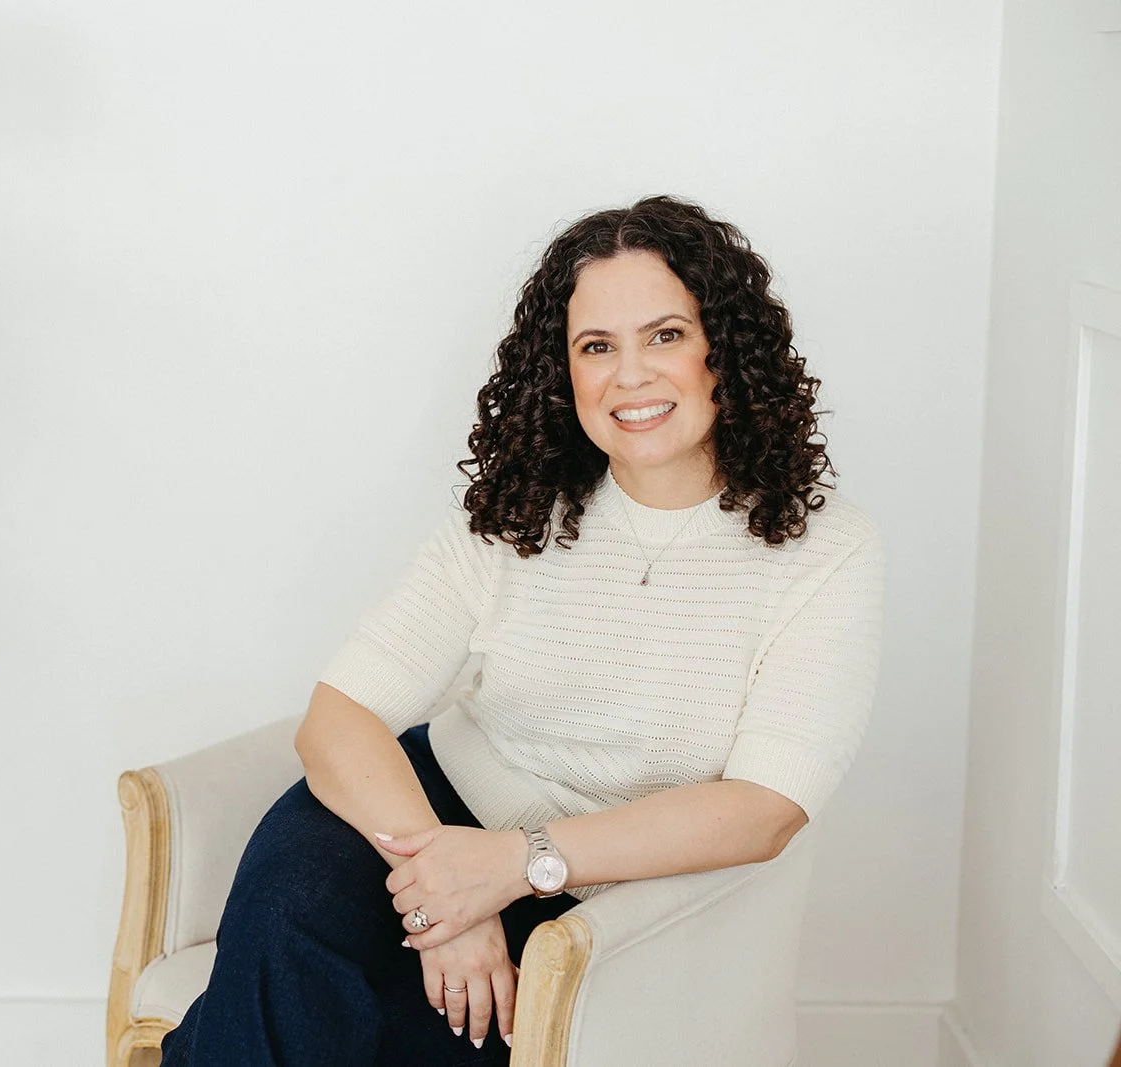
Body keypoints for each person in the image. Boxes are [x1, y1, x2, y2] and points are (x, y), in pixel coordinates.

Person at [158, 194, 887, 1066]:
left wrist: (512, 867)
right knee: (289, 914)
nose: (630, 376)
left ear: (723, 350)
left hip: (600, 897)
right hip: (426, 814)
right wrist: (442, 894)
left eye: (664, 335)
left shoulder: (825, 549)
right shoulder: (521, 510)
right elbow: (338, 717)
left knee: (348, 1029)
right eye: (596, 346)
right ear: (563, 370)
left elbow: (766, 808)